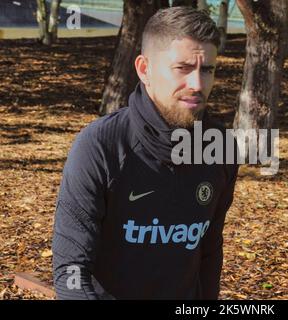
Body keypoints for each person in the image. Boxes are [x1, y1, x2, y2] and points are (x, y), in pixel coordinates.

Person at [52, 6, 238, 300]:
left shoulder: (221, 148)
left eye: (207, 70)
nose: (198, 85)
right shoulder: (100, 146)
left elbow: (209, 249)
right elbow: (71, 272)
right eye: (183, 68)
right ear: (144, 69)